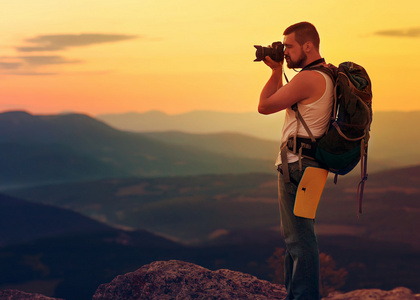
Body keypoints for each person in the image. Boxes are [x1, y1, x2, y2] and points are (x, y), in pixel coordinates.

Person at [258, 22, 334, 300]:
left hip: (297, 166)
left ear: (308, 45)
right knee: (298, 239)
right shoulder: (328, 74)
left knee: (299, 241)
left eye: (289, 46)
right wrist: (279, 70)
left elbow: (264, 106)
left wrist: (276, 72)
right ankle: (296, 295)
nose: (285, 52)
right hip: (312, 165)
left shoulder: (307, 78)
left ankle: (303, 297)